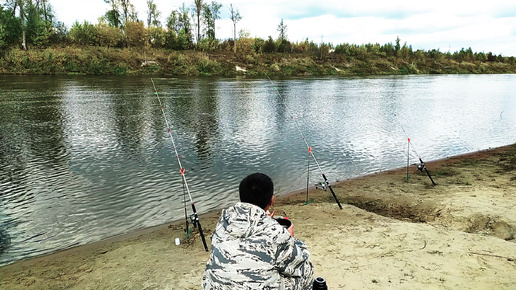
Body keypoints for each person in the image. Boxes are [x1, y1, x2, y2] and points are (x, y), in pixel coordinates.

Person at [202, 172, 314, 289]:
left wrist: (263, 220)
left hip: (213, 286)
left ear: (242, 197)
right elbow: (299, 264)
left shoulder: (224, 220)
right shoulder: (275, 232)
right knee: (307, 271)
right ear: (271, 200)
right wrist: (290, 238)